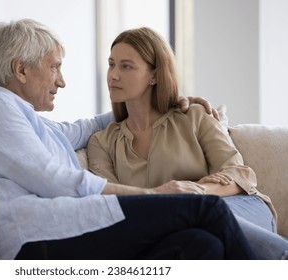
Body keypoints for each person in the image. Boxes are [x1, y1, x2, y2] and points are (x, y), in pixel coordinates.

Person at [0, 18, 257, 260]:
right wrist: (154, 195)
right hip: (38, 238)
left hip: (66, 228)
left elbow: (85, 126)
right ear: (21, 69)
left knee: (201, 245)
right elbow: (56, 181)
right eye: (55, 67)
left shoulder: (29, 121)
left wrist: (164, 99)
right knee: (205, 208)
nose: (61, 81)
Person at [87, 27, 288, 260]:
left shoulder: (194, 116)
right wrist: (174, 201)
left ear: (154, 75)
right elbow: (112, 204)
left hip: (239, 207)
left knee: (201, 219)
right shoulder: (101, 142)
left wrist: (196, 193)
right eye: (111, 64)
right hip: (174, 228)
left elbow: (239, 175)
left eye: (126, 66)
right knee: (200, 241)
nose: (113, 75)